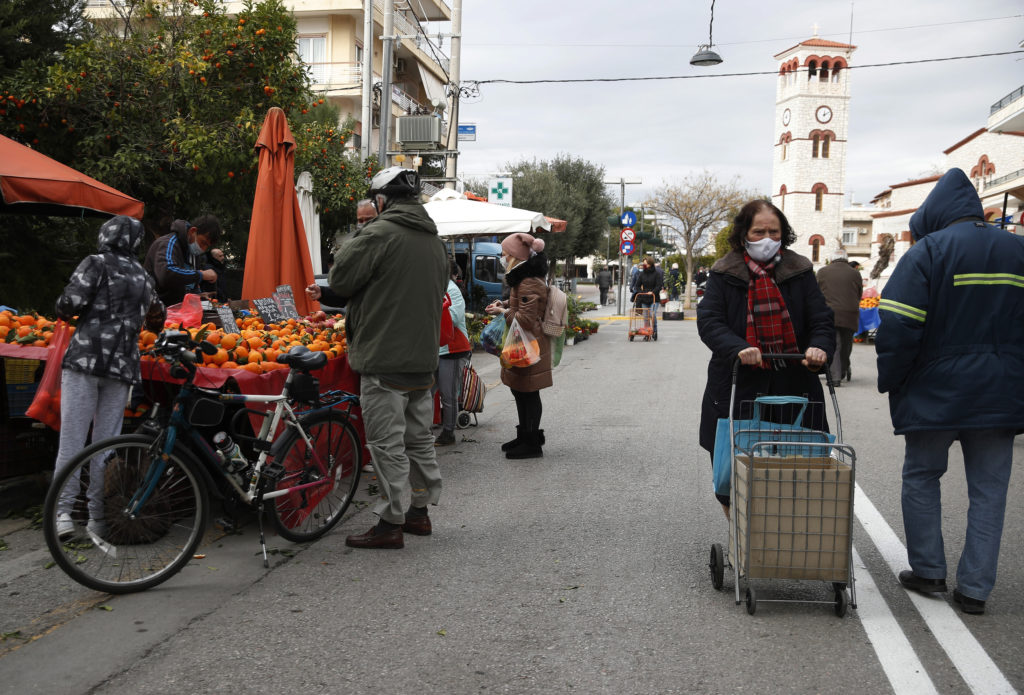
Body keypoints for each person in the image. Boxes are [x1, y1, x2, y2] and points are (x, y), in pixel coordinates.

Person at [876, 168, 1024, 615]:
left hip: (934, 391)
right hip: (1001, 395)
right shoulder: (1018, 250)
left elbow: (899, 324)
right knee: (989, 491)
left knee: (922, 476)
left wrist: (894, 379)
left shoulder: (929, 252)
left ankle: (928, 570)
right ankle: (975, 589)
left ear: (934, 215)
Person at [328, 167, 448, 550]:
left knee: (386, 443)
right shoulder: (434, 241)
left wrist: (361, 236)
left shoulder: (378, 233)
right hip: (422, 358)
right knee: (418, 440)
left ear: (381, 200)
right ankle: (419, 512)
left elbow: (341, 281)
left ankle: (391, 521)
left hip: (383, 357)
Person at [696, 200, 834, 519]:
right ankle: (741, 538)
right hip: (738, 383)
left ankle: (787, 535)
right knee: (733, 468)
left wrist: (819, 349)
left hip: (795, 384)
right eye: (759, 231)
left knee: (799, 467)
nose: (767, 238)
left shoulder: (800, 271)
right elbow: (710, 321)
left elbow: (821, 320)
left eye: (774, 231)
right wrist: (736, 347)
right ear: (744, 234)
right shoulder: (723, 273)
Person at [54, 216, 167, 539]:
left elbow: (68, 305)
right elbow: (158, 320)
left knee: (73, 441)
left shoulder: (95, 263)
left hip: (85, 361)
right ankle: (97, 519)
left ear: (106, 236)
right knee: (105, 444)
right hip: (121, 368)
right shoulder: (143, 276)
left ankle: (62, 514)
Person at [485, 232, 552, 459]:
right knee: (520, 391)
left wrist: (503, 311)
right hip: (524, 344)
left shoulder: (528, 281)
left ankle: (532, 443)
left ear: (515, 256)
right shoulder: (522, 278)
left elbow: (526, 319)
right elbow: (521, 304)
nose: (501, 257)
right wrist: (504, 303)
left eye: (504, 253)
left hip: (530, 345)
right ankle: (525, 435)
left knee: (529, 393)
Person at [305, 198, 378, 308]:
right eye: (360, 220)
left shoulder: (387, 247)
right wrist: (323, 293)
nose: (363, 225)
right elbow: (347, 293)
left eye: (368, 219)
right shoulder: (357, 250)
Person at [434, 261, 472, 447]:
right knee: (425, 392)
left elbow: (455, 317)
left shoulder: (452, 289)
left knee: (448, 395)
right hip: (435, 350)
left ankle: (448, 432)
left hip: (453, 349)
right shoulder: (433, 286)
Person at [143, 215, 221, 306]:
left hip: (180, 310)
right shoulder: (168, 243)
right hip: (156, 309)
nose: (203, 249)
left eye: (207, 246)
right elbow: (166, 274)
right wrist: (201, 274)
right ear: (193, 231)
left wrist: (197, 295)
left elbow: (188, 282)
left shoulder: (193, 253)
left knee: (222, 314)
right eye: (203, 242)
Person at [816, 250, 862, 385]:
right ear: (846, 259)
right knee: (846, 345)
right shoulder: (855, 273)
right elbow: (859, 293)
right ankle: (843, 369)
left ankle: (835, 376)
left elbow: (816, 293)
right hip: (850, 313)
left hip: (829, 313)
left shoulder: (822, 272)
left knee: (834, 344)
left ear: (831, 259)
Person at [633, 255, 662, 340]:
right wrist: (642, 292)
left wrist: (652, 292)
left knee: (652, 314)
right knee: (645, 316)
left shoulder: (657, 274)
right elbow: (637, 286)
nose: (644, 266)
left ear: (650, 264)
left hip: (654, 298)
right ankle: (647, 332)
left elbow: (659, 285)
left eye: (646, 264)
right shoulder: (642, 274)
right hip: (644, 298)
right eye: (644, 264)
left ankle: (655, 330)